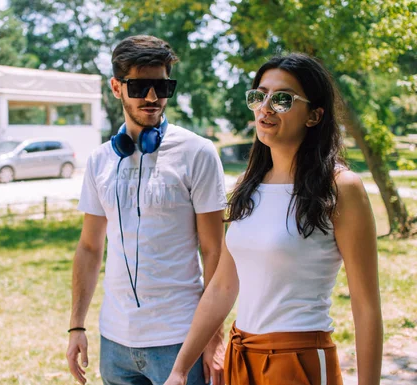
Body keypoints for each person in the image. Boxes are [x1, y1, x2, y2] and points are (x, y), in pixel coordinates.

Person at [164, 53, 383, 385]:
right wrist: (179, 370)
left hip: (299, 361)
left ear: (314, 115)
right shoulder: (248, 187)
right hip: (243, 357)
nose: (265, 107)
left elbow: (365, 304)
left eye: (282, 99)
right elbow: (223, 287)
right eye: (259, 95)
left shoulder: (341, 188)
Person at [66, 35, 229, 385]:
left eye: (162, 86)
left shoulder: (197, 153)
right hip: (114, 343)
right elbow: (90, 247)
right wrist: (76, 325)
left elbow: (215, 249)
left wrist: (213, 335)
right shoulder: (98, 160)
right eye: (140, 86)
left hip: (180, 339)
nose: (153, 98)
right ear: (116, 87)